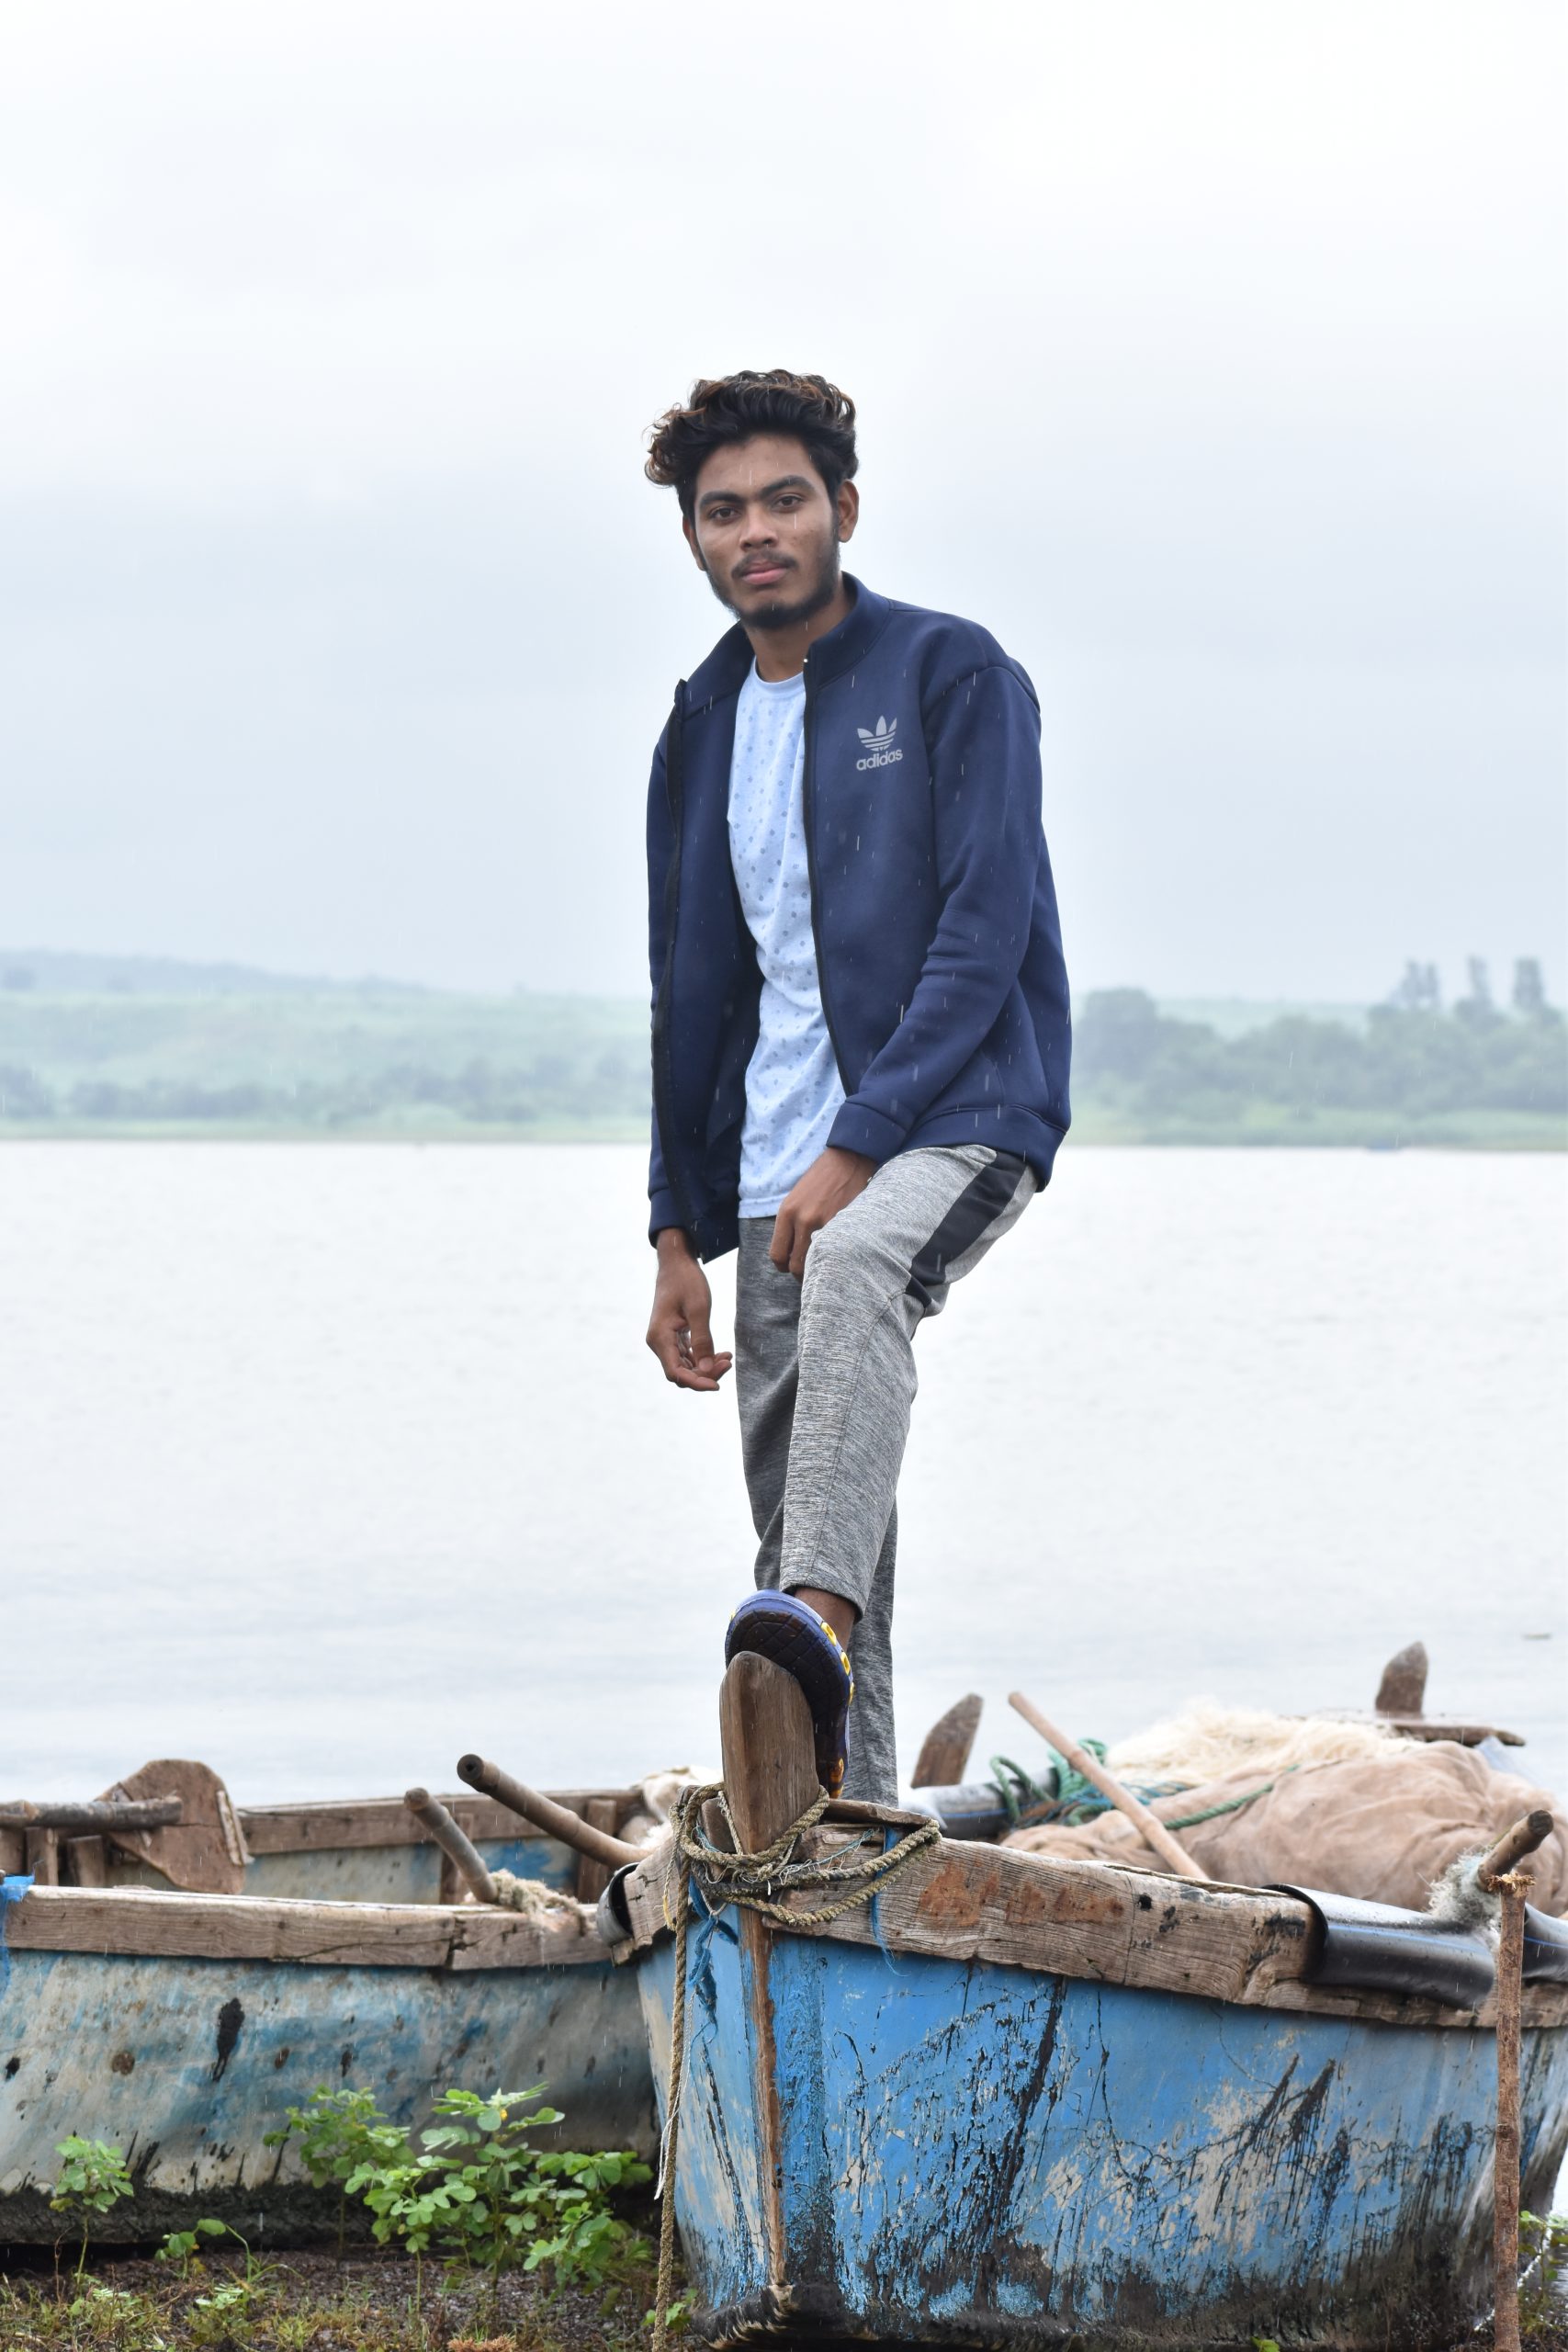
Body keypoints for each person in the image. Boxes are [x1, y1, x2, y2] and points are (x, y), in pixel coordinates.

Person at [641, 369, 1070, 1805]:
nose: (756, 531)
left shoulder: (950, 673)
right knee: (808, 1486)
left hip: (957, 1112)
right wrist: (673, 1232)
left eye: (783, 502)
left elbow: (986, 918)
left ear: (842, 511)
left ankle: (814, 1612)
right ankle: (850, 1828)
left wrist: (863, 1142)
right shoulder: (699, 727)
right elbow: (689, 993)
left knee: (859, 1274)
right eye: (725, 512)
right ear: (696, 538)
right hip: (772, 1160)